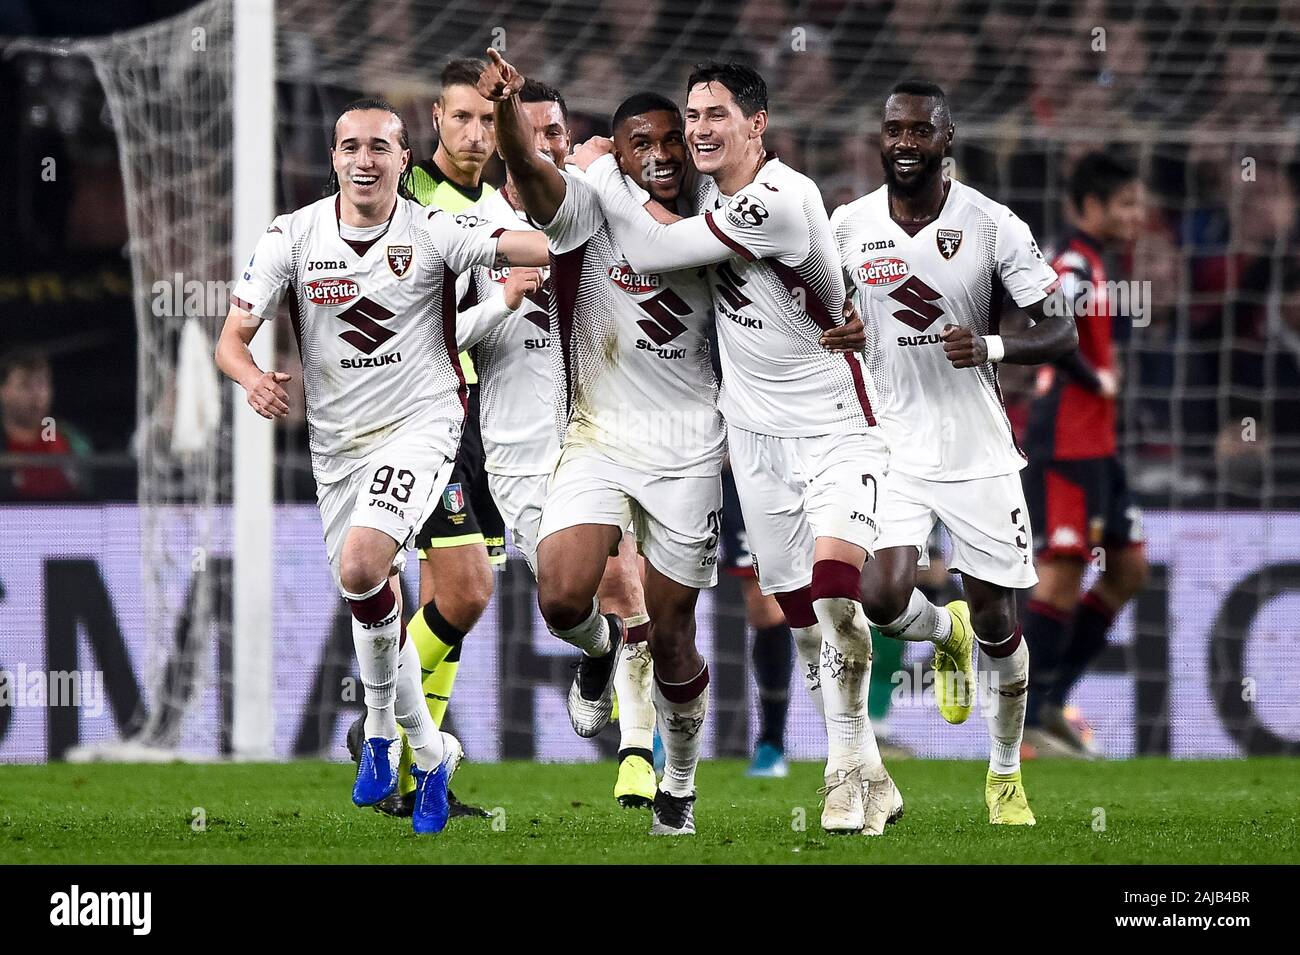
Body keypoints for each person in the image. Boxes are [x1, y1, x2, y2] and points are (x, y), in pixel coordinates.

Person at [481, 52, 867, 835]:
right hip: (597, 434)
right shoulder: (586, 206)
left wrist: (849, 308)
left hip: (692, 447)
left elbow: (756, 278)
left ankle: (680, 783)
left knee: (672, 633)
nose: (660, 153)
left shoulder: (714, 222)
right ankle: (597, 652)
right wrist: (510, 118)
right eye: (639, 143)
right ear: (616, 150)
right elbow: (533, 173)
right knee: (560, 594)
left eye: (672, 139)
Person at [574, 61, 898, 836]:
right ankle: (872, 771)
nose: (699, 128)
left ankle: (841, 773)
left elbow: (653, 249)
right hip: (751, 438)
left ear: (758, 125)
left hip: (832, 425)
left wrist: (602, 175)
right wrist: (589, 155)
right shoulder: (702, 190)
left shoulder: (778, 199)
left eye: (718, 114)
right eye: (693, 114)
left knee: (833, 590)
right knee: (799, 613)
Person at [215, 98, 547, 835]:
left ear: (405, 159)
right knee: (371, 595)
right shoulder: (292, 236)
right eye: (349, 147)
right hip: (337, 448)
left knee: (367, 566)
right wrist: (252, 378)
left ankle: (376, 733)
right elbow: (231, 339)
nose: (364, 159)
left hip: (422, 426)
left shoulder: (433, 229)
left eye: (380, 147)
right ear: (333, 158)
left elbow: (530, 247)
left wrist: (585, 233)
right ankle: (429, 755)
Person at [836, 82, 1076, 825]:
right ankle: (946, 631)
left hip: (976, 448)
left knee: (1002, 621)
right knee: (878, 597)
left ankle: (1004, 774)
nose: (904, 142)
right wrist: (841, 331)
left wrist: (995, 344)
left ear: (948, 140)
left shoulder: (994, 224)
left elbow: (1061, 330)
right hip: (893, 443)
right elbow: (825, 310)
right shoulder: (848, 225)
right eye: (893, 129)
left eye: (919, 131)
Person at [1021, 151, 1148, 756]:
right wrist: (1093, 376)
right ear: (1092, 207)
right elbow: (1046, 325)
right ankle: (1024, 722)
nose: (1137, 214)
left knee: (1129, 570)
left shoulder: (1100, 264)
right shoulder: (1072, 262)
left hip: (1100, 446)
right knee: (1061, 576)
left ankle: (1049, 702)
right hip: (1065, 444)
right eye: (1125, 203)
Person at [0, 348, 91, 501]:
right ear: (3, 392)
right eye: (26, 385)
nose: (38, 394)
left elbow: (92, 487)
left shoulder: (68, 438)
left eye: (42, 384)